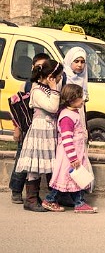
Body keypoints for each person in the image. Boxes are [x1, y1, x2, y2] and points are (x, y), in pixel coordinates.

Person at [15, 59, 64, 212]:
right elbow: (53, 107)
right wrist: (54, 88)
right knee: (35, 165)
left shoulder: (47, 89)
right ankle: (30, 199)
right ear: (51, 76)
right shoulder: (37, 91)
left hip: (48, 130)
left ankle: (35, 198)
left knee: (43, 164)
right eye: (58, 76)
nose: (60, 79)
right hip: (40, 129)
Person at [42, 84, 97, 213]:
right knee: (68, 177)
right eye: (80, 98)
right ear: (71, 99)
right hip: (69, 156)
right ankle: (51, 200)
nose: (83, 100)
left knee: (75, 178)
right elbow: (67, 139)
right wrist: (73, 157)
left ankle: (78, 202)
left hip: (75, 154)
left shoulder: (73, 113)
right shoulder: (67, 116)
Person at [9, 53, 50, 204]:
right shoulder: (26, 85)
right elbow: (17, 108)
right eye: (38, 66)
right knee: (22, 158)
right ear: (33, 67)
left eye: (44, 67)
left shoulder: (49, 85)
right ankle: (16, 189)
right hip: (27, 127)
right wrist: (17, 128)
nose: (40, 69)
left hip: (41, 129)